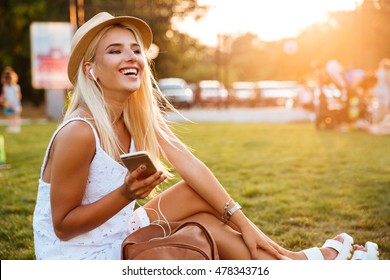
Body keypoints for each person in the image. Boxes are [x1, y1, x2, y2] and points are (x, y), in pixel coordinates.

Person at [32, 12, 379, 260]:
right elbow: (64, 227)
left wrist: (247, 225)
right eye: (115, 50)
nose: (132, 57)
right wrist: (126, 193)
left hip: (113, 229)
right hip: (79, 257)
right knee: (204, 228)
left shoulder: (133, 118)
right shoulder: (79, 132)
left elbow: (190, 165)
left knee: (193, 193)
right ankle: (297, 266)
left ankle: (286, 257)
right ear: (91, 70)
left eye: (136, 49)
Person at [0, 67, 22, 133]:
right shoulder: (5, 87)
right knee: (10, 116)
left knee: (15, 115)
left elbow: (18, 95)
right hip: (8, 104)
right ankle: (11, 127)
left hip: (15, 104)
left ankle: (16, 127)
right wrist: (2, 99)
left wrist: (14, 103)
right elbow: (3, 95)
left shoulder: (16, 87)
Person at [373, 58, 390, 123]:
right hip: (385, 90)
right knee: (386, 105)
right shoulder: (387, 72)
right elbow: (388, 81)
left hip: (377, 90)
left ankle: (378, 120)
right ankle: (387, 119)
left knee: (380, 105)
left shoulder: (378, 71)